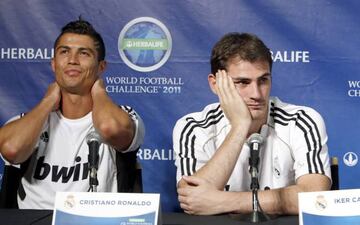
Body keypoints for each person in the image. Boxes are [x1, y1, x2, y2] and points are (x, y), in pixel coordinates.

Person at [173, 32, 331, 215]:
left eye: (263, 80)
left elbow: (314, 198)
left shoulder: (302, 121)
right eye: (242, 82)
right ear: (215, 84)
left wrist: (224, 201)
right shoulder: (194, 127)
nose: (256, 94)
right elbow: (193, 200)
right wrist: (240, 126)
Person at [0, 18, 145, 209]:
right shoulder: (27, 121)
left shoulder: (124, 115)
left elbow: (111, 129)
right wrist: (47, 101)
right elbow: (12, 149)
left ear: (101, 67)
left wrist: (99, 91)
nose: (72, 60)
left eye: (84, 53)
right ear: (53, 64)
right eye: (64, 52)